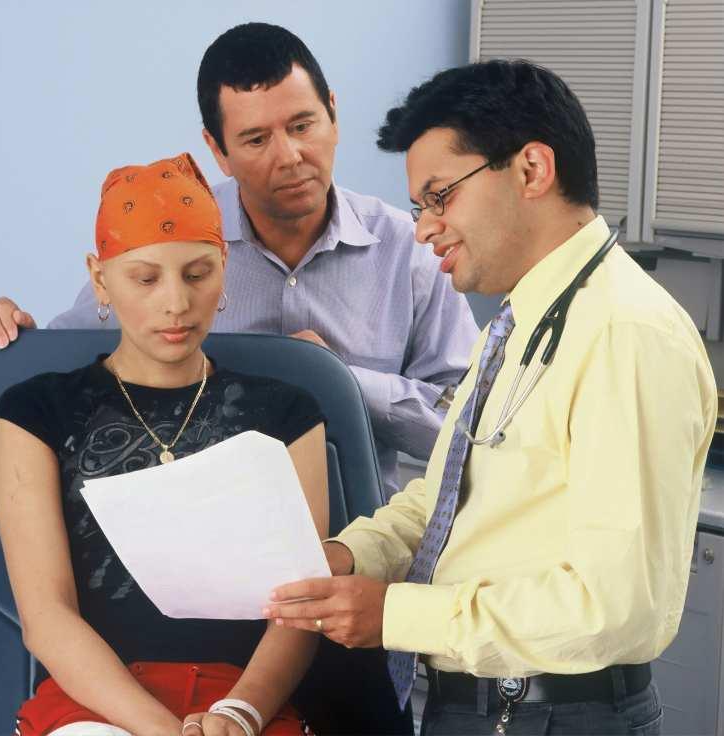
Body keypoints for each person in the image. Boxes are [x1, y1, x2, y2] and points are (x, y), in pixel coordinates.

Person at [264, 60, 717, 735]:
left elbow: (615, 605)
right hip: (480, 707)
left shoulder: (626, 333)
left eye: (440, 196)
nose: (423, 228)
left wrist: (393, 613)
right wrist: (351, 554)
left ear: (532, 170)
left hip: (555, 715)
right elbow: (449, 495)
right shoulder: (519, 321)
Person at [0, 22, 479, 502]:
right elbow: (67, 363)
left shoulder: (414, 250)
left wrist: (335, 378)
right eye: (255, 139)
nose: (290, 156)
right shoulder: (170, 241)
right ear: (217, 149)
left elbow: (468, 433)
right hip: (187, 527)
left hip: (361, 535)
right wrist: (7, 334)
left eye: (302, 125)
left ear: (333, 114)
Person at [0, 152, 329, 736]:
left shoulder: (287, 411)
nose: (175, 303)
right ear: (100, 278)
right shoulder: (37, 411)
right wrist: (161, 730)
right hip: (94, 699)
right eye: (145, 278)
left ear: (223, 265)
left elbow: (304, 601)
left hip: (247, 699)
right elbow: (46, 617)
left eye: (197, 274)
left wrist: (240, 714)